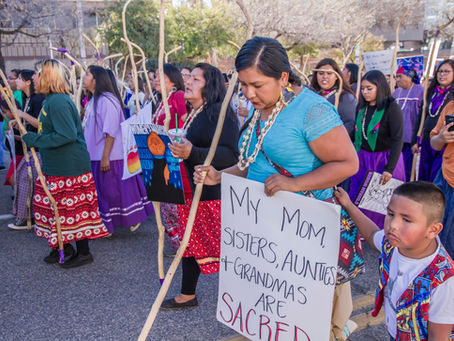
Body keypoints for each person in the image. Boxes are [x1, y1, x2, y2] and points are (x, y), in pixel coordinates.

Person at [194, 37, 359, 341]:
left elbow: (348, 164)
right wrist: (220, 175)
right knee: (271, 319)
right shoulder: (261, 109)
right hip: (266, 238)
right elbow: (252, 162)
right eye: (243, 85)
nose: (248, 93)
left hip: (305, 239)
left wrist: (295, 184)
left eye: (257, 85)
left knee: (309, 324)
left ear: (283, 78)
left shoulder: (312, 111)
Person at [334, 182, 454, 341]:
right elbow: (371, 235)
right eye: (390, 214)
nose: (393, 225)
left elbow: (438, 337)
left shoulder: (444, 280)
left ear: (433, 230)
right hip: (396, 331)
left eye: (407, 220)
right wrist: (348, 205)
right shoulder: (393, 244)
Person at [164, 63, 239, 309]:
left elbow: (231, 155)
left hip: (211, 194)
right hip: (192, 190)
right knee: (190, 242)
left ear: (210, 85)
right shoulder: (197, 111)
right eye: (189, 77)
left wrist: (191, 152)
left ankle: (243, 298)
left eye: (196, 79)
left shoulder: (219, 111)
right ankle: (187, 294)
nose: (188, 81)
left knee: (226, 249)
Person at [22, 59, 109, 268]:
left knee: (73, 211)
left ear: (48, 76)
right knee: (57, 209)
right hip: (56, 165)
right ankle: (65, 246)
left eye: (37, 73)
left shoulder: (59, 102)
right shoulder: (49, 101)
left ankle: (84, 253)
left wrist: (35, 140)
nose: (33, 78)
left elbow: (67, 135)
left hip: (70, 166)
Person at [82, 65, 153, 235]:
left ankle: (131, 218)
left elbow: (110, 130)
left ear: (96, 79)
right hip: (95, 154)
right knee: (106, 192)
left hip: (110, 156)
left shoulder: (107, 100)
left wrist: (105, 156)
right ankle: (107, 223)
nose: (83, 77)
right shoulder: (94, 100)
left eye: (87, 74)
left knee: (116, 191)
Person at [349, 70, 405, 229]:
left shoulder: (391, 108)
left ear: (379, 88)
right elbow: (356, 132)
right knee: (359, 193)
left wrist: (390, 168)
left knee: (379, 201)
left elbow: (397, 139)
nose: (364, 92)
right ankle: (359, 228)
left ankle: (379, 232)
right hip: (363, 158)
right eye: (363, 88)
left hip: (384, 159)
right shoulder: (361, 107)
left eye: (369, 88)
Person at [8, 69, 45, 230]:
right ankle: (25, 215)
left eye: (19, 79)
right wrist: (19, 123)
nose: (16, 82)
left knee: (27, 180)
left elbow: (40, 124)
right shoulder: (27, 98)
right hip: (30, 147)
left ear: (28, 82)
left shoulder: (37, 99)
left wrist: (22, 115)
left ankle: (29, 217)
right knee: (24, 179)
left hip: (38, 147)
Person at [412, 59, 454, 182]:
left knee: (436, 176)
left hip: (445, 144)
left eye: (447, 71)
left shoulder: (452, 96)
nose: (442, 75)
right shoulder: (431, 93)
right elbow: (420, 117)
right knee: (424, 175)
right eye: (440, 71)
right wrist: (415, 140)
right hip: (427, 140)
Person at [431, 101, 454, 259]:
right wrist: (442, 137)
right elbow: (435, 143)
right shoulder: (450, 106)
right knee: (435, 232)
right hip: (445, 178)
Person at [393, 66, 424, 181]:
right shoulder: (396, 92)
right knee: (396, 167)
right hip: (397, 137)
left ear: (410, 76)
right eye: (396, 77)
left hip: (412, 138)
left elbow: (423, 116)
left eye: (400, 76)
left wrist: (418, 139)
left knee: (409, 169)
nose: (397, 79)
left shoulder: (421, 91)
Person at [311, 58, 357, 134]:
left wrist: (332, 135)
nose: (325, 77)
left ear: (336, 76)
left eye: (329, 73)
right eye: (321, 73)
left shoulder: (345, 97)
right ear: (316, 76)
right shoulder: (311, 95)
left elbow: (350, 123)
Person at [153, 63, 188, 128]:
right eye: (155, 76)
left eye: (161, 76)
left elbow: (188, 124)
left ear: (173, 80)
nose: (156, 80)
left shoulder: (178, 95)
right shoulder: (162, 101)